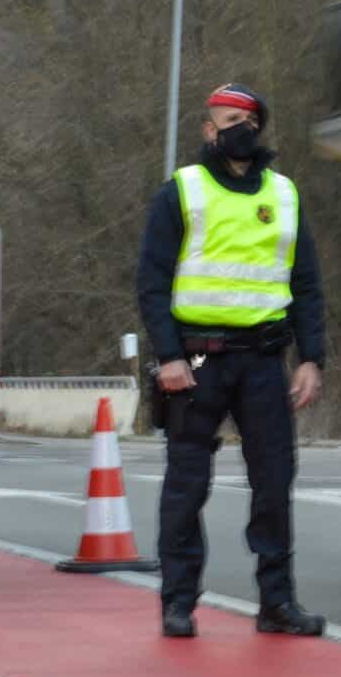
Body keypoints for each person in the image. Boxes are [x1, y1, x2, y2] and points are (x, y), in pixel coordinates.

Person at [135, 83, 328, 639]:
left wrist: (311, 358)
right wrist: (168, 355)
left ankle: (277, 603)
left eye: (243, 120)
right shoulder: (183, 191)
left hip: (265, 360)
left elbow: (307, 285)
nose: (233, 129)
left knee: (274, 484)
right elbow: (152, 281)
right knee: (186, 485)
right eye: (223, 119)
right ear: (207, 130)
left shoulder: (285, 195)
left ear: (257, 127)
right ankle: (178, 603)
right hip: (195, 360)